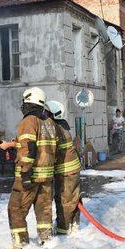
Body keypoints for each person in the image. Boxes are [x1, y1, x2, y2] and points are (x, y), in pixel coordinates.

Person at [0, 87, 57, 249]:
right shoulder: (49, 123)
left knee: (16, 208)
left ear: (29, 102)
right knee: (44, 209)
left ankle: (21, 244)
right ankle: (47, 241)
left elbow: (28, 149)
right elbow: (38, 146)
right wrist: (12, 144)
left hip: (29, 175)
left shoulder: (28, 121)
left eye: (24, 102)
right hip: (46, 176)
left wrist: (25, 173)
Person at [46, 100, 82, 235]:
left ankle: (64, 229)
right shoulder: (63, 125)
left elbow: (49, 149)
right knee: (73, 199)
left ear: (52, 114)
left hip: (66, 171)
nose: (44, 114)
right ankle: (73, 224)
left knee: (65, 200)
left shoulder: (54, 128)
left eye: (46, 112)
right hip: (72, 169)